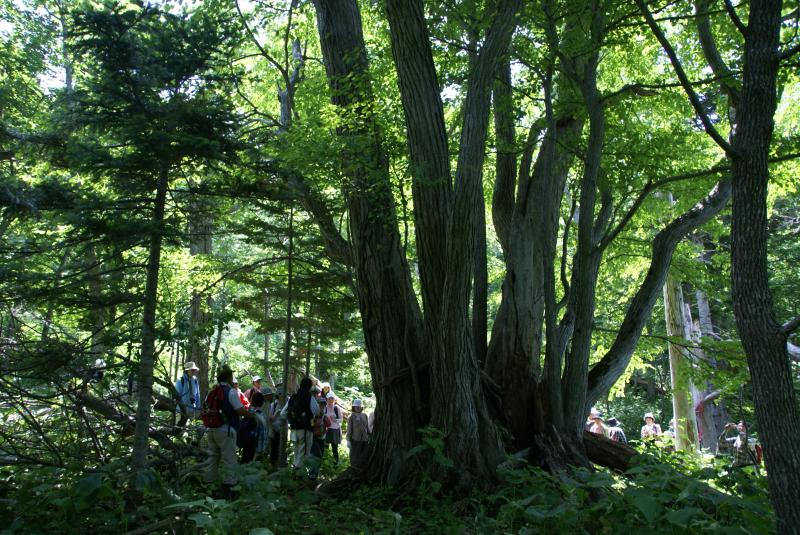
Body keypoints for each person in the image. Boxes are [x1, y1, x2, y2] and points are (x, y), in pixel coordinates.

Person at [203, 366, 251, 496]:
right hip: (226, 429)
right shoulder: (230, 392)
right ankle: (230, 488)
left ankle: (209, 484)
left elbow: (206, 407)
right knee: (229, 459)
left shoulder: (212, 392)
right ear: (228, 378)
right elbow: (239, 410)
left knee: (213, 456)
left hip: (211, 429)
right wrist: (253, 416)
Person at [280, 377, 320, 476]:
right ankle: (297, 477)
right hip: (306, 431)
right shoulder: (310, 397)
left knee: (297, 454)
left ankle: (295, 476)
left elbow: (282, 413)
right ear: (310, 387)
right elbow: (317, 411)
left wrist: (292, 420)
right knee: (303, 455)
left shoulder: (293, 397)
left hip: (293, 431)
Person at [240, 391, 268, 464]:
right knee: (251, 465)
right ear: (262, 402)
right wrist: (262, 449)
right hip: (255, 445)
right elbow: (262, 432)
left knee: (245, 461)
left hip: (247, 442)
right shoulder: (259, 414)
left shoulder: (249, 412)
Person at [347, 398, 370, 468]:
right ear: (353, 407)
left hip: (365, 439)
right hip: (355, 439)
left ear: (361, 407)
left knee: (363, 455)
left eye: (359, 406)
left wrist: (370, 436)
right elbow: (349, 429)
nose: (358, 408)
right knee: (355, 455)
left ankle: (362, 468)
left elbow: (367, 427)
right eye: (356, 406)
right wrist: (348, 440)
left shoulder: (365, 415)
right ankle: (354, 467)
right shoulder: (351, 417)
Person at [323, 392, 343, 465]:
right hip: (326, 429)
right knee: (325, 447)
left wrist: (334, 419)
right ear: (327, 399)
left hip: (335, 429)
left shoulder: (337, 408)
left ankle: (335, 463)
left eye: (332, 398)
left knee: (334, 447)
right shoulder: (324, 408)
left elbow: (341, 420)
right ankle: (325, 463)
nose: (331, 400)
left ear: (334, 399)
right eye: (329, 398)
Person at [263, 387, 281, 467]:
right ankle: (271, 464)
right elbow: (270, 419)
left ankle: (271, 464)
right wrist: (277, 413)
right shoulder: (268, 405)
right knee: (273, 448)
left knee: (274, 448)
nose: (271, 397)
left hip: (273, 429)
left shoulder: (270, 404)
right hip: (270, 430)